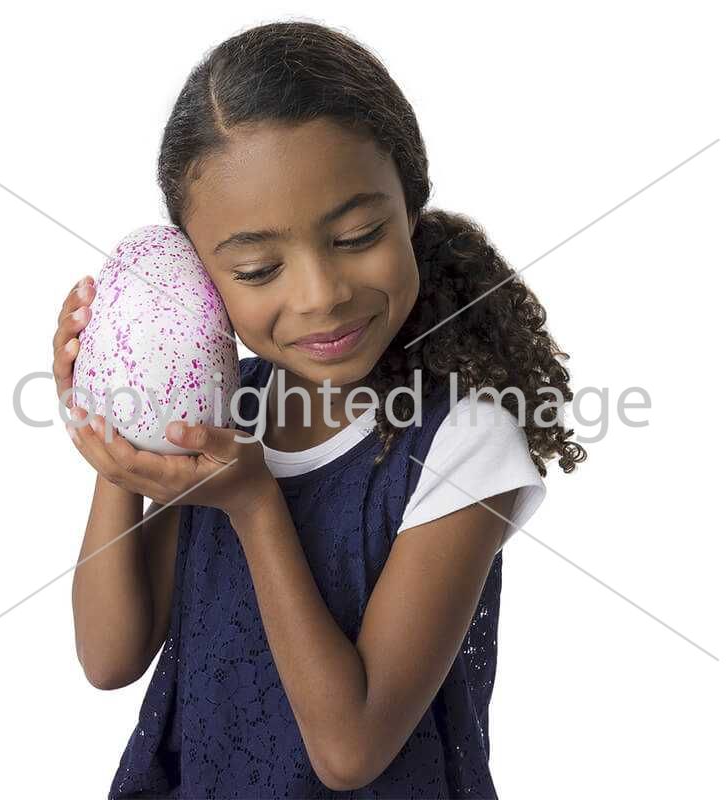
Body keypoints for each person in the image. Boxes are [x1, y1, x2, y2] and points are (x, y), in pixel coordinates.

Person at [54, 20, 587, 799]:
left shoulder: (465, 441)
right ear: (200, 277)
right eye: (257, 268)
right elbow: (110, 658)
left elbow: (350, 749)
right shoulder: (219, 410)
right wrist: (122, 417)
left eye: (358, 235)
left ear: (410, 205)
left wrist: (254, 504)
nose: (321, 294)